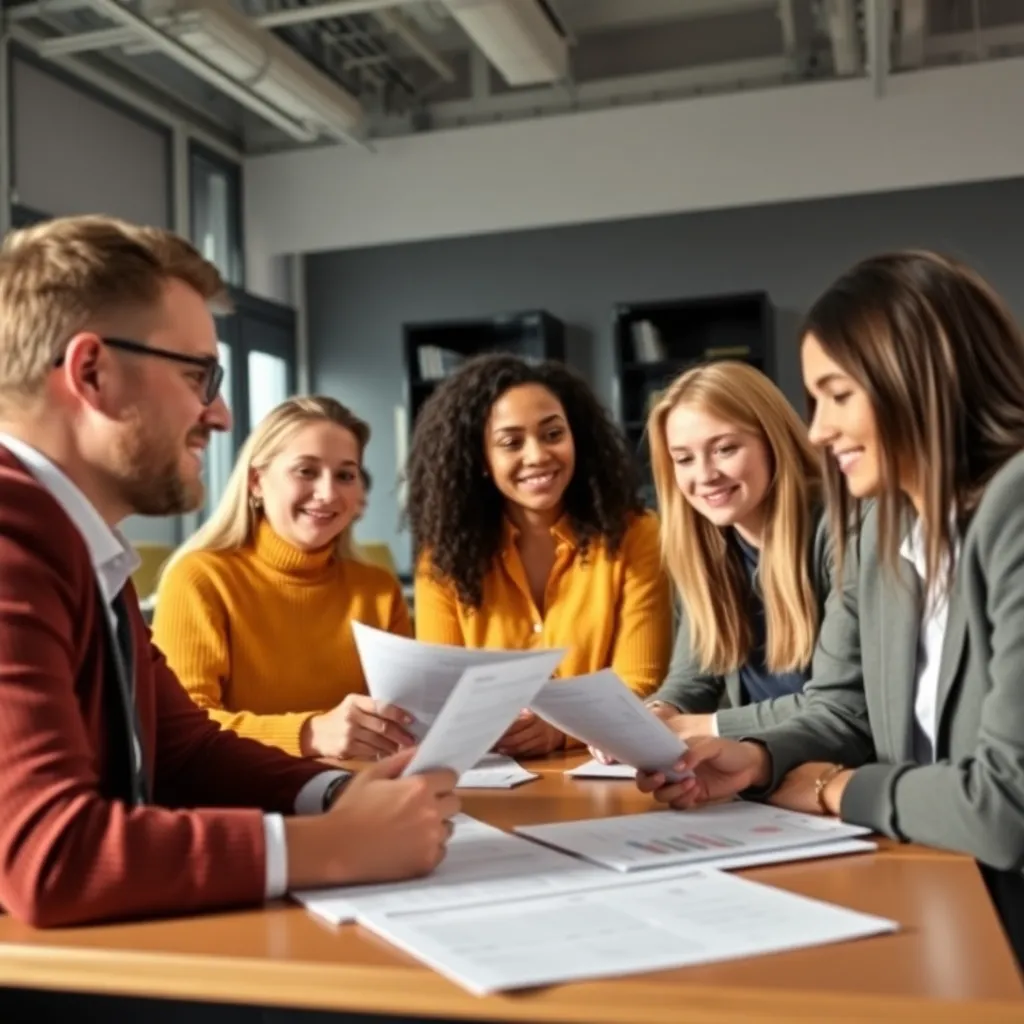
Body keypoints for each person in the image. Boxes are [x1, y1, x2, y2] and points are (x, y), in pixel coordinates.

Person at [0, 214, 458, 928]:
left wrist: (336, 796)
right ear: (92, 372)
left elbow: (181, 750)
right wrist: (332, 846)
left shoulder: (85, 543)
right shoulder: (10, 534)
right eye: (198, 376)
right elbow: (51, 857)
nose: (220, 415)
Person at [638, 250, 1024, 959]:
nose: (816, 431)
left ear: (917, 379)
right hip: (931, 877)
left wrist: (831, 790)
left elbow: (1006, 809)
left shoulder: (1014, 506)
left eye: (837, 395)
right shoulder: (883, 525)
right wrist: (756, 757)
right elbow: (845, 707)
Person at [405, 353, 673, 758]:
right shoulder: (441, 559)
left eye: (552, 434)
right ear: (480, 459)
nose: (538, 456)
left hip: (608, 773)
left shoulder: (636, 534)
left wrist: (559, 729)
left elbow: (641, 681)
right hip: (487, 778)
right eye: (511, 443)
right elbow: (443, 700)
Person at [153, 396, 414, 761]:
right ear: (257, 481)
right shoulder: (201, 579)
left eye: (345, 475)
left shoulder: (378, 589)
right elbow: (181, 728)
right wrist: (308, 734)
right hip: (247, 801)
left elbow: (407, 719)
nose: (328, 493)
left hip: (362, 792)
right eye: (306, 471)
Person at [608, 361, 831, 750]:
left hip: (834, 770)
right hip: (764, 771)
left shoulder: (837, 532)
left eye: (725, 448)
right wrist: (659, 713)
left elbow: (839, 705)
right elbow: (693, 678)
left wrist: (701, 727)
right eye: (684, 459)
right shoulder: (703, 546)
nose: (705, 475)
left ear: (772, 440)